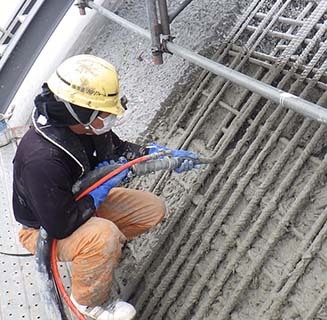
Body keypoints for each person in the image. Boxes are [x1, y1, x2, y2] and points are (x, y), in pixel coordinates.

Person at [11, 54, 198, 320]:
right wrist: (99, 192)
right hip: (45, 227)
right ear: (80, 110)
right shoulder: (41, 159)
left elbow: (120, 152)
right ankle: (87, 304)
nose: (111, 116)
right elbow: (60, 225)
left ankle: (95, 260)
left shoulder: (85, 126)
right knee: (103, 235)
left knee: (151, 209)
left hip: (78, 203)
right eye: (105, 111)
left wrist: (158, 155)